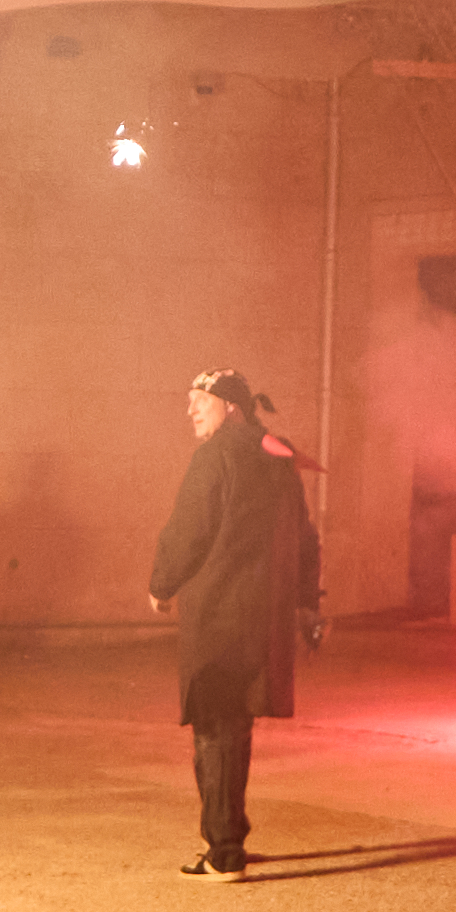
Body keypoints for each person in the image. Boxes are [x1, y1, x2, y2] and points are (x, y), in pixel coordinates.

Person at [147, 369, 313, 878]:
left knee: (214, 726)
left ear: (232, 408)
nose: (191, 410)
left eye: (201, 401)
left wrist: (161, 584)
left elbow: (188, 529)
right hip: (261, 619)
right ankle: (230, 836)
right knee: (235, 727)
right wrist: (306, 599)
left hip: (218, 614)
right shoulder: (278, 458)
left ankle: (223, 853)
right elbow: (305, 534)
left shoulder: (215, 456)